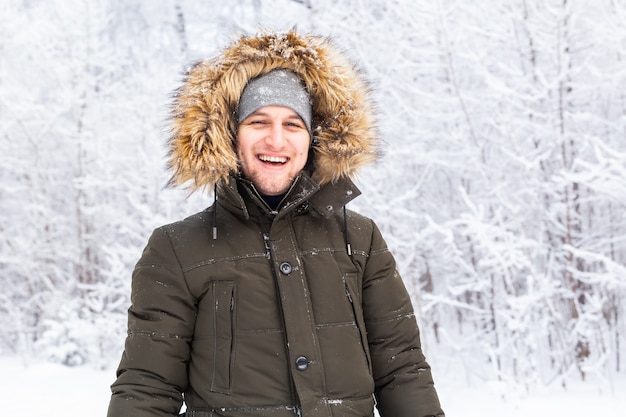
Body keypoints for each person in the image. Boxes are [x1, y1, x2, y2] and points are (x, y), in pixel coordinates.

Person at [107, 30, 445, 417]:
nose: (276, 140)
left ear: (314, 138)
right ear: (230, 134)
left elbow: (403, 370)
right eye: (258, 121)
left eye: (292, 124)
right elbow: (146, 388)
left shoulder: (360, 240)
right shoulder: (177, 249)